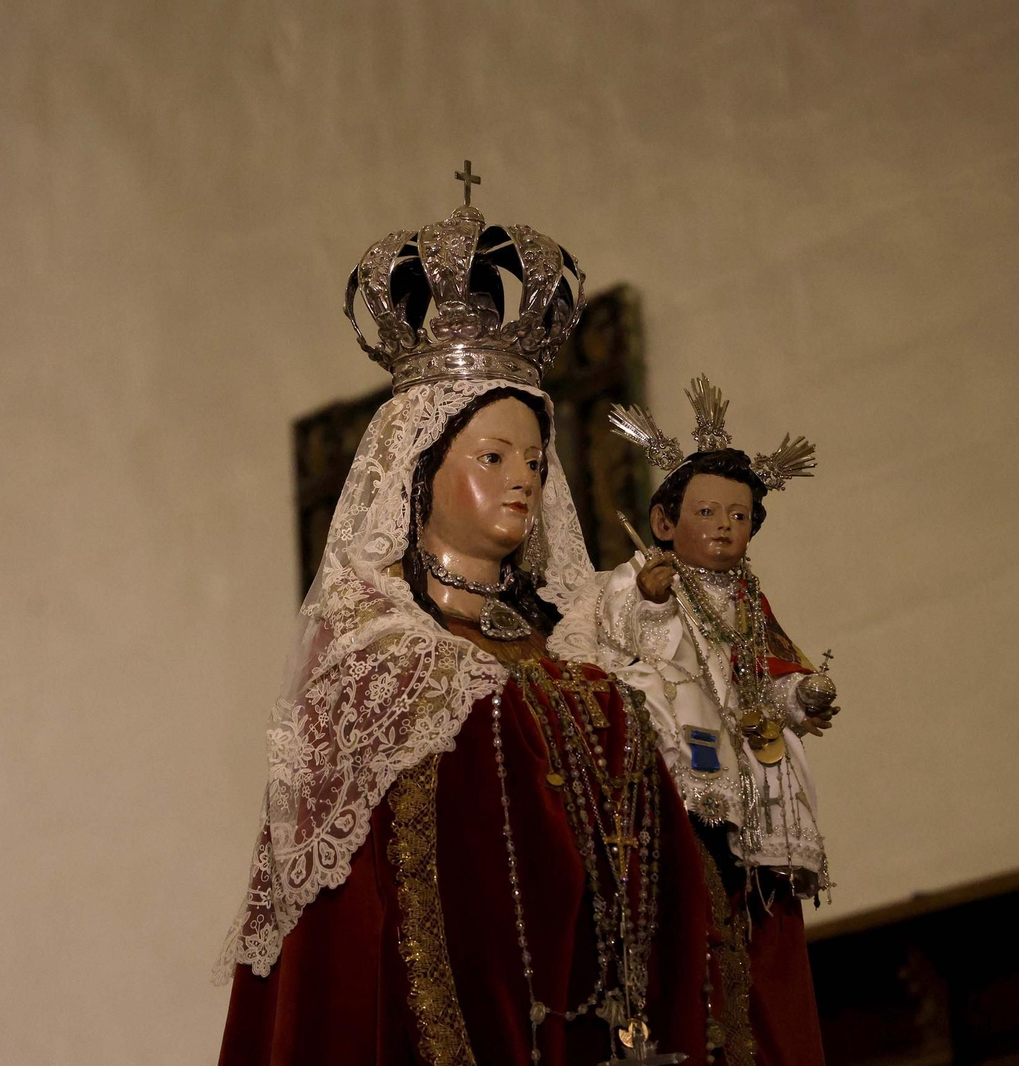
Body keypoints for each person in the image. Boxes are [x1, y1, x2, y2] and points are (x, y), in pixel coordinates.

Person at [216, 190, 740, 1065]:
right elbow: (361, 930)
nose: (522, 479)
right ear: (418, 475)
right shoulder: (378, 661)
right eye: (491, 458)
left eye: (533, 459)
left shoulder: (576, 647)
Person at [551, 376, 837, 1065]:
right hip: (682, 760)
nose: (724, 526)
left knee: (753, 923)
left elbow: (768, 678)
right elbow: (614, 649)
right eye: (707, 512)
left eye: (739, 516)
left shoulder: (747, 601)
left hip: (749, 767)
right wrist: (653, 604)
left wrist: (805, 697)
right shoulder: (637, 579)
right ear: (664, 522)